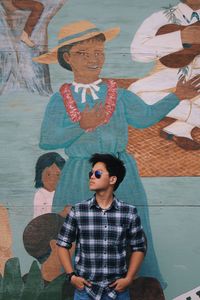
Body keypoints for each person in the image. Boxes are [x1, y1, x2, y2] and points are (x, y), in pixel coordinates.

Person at [33, 20, 200, 287]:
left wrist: (176, 96)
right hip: (78, 175)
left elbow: (145, 117)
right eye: (83, 53)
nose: (93, 59)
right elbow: (46, 139)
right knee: (78, 235)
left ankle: (135, 286)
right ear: (67, 58)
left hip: (121, 175)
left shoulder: (118, 95)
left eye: (98, 52)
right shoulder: (59, 99)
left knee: (131, 231)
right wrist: (81, 125)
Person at [57, 153, 146, 300]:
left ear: (112, 179)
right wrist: (72, 276)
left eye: (97, 173)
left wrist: (129, 278)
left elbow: (139, 248)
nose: (92, 176)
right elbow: (62, 244)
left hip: (117, 292)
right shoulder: (78, 211)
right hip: (85, 291)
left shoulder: (128, 212)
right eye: (90, 173)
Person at [129, 0, 200, 150]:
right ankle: (191, 119)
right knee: (135, 95)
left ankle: (180, 128)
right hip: (172, 74)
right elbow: (137, 53)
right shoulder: (161, 17)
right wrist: (180, 38)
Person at [33, 152, 65, 218]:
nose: (53, 179)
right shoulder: (41, 195)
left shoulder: (63, 193)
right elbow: (43, 218)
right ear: (40, 174)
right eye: (48, 174)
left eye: (57, 175)